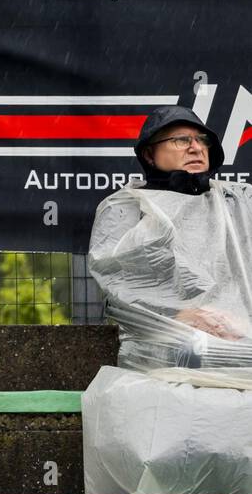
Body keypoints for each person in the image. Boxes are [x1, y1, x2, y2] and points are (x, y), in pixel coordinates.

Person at [89, 105, 252, 371]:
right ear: (149, 154)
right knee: (191, 359)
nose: (196, 148)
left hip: (242, 338)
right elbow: (119, 291)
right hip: (164, 348)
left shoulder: (239, 202)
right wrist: (179, 316)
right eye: (181, 140)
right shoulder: (125, 208)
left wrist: (241, 321)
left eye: (202, 140)